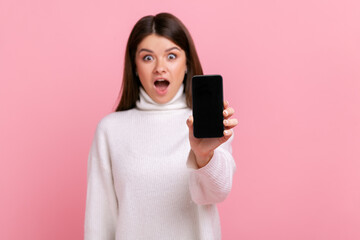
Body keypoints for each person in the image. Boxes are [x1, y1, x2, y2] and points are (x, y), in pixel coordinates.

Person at [84, 12, 238, 240]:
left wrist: (203, 156)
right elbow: (99, 220)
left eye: (171, 56)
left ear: (187, 64)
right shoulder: (110, 130)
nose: (160, 67)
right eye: (148, 58)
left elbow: (216, 193)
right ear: (134, 67)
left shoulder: (204, 125)